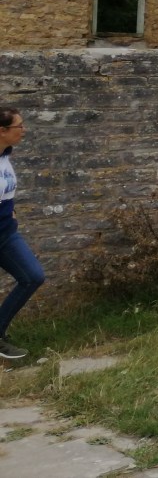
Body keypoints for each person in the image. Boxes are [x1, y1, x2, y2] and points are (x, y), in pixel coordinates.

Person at [0, 108, 44, 361]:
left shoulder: (5, 155)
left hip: (6, 233)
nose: (23, 130)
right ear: (2, 131)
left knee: (32, 276)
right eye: (19, 126)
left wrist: (12, 211)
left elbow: (6, 190)